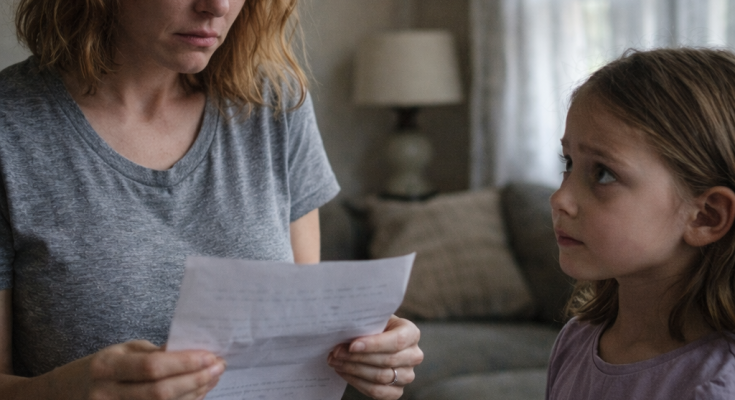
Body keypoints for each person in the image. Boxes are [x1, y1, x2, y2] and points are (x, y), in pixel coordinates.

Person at [0, 0, 423, 399]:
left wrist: (374, 353)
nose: (217, 6)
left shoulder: (274, 103)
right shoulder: (11, 128)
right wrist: (69, 389)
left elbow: (302, 337)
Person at [547, 47, 735, 399]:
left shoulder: (715, 387)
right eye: (569, 163)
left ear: (706, 216)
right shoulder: (577, 339)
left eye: (603, 174)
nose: (560, 198)